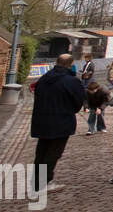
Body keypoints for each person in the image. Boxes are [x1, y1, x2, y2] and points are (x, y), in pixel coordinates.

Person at [30, 54, 86, 194]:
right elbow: (77, 103)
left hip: (41, 120)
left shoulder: (44, 79)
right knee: (53, 153)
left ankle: (37, 182)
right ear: (71, 64)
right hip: (61, 120)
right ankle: (44, 183)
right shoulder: (71, 81)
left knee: (41, 152)